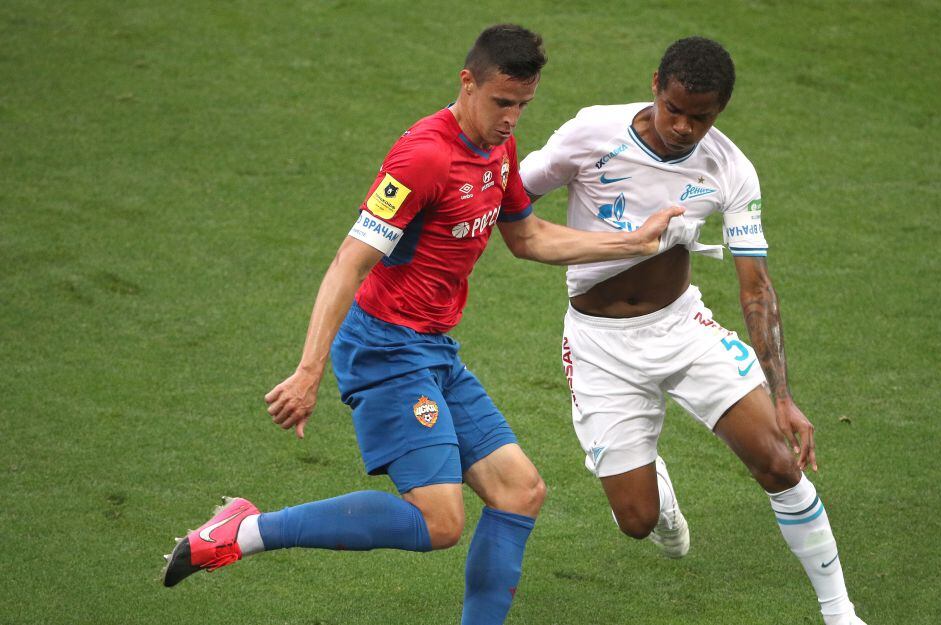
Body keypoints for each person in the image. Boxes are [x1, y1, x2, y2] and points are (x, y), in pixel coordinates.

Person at [161, 25, 684, 625]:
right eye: (501, 102)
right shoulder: (423, 156)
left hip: (433, 348)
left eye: (523, 105)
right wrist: (308, 372)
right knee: (440, 522)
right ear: (468, 83)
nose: (512, 118)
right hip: (384, 347)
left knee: (520, 491)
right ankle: (243, 531)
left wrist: (632, 243)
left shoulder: (498, 150)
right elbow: (348, 263)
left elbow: (529, 236)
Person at [519, 37, 867, 625]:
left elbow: (756, 288)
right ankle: (655, 486)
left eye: (700, 117)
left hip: (681, 329)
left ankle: (840, 613)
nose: (683, 126)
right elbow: (512, 199)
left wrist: (783, 397)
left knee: (780, 462)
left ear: (720, 110)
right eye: (674, 109)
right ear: (656, 84)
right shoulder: (591, 133)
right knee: (636, 521)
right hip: (599, 345)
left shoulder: (729, 168)